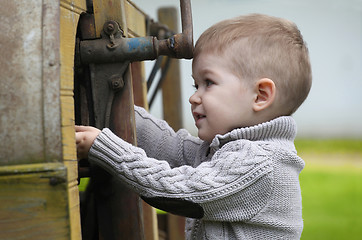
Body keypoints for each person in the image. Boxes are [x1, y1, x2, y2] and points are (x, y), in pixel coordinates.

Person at [76, 13, 312, 239]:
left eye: (208, 83)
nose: (194, 97)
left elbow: (179, 191)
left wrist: (106, 148)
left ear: (260, 95)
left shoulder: (259, 165)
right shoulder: (229, 150)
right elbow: (170, 147)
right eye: (195, 85)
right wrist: (113, 109)